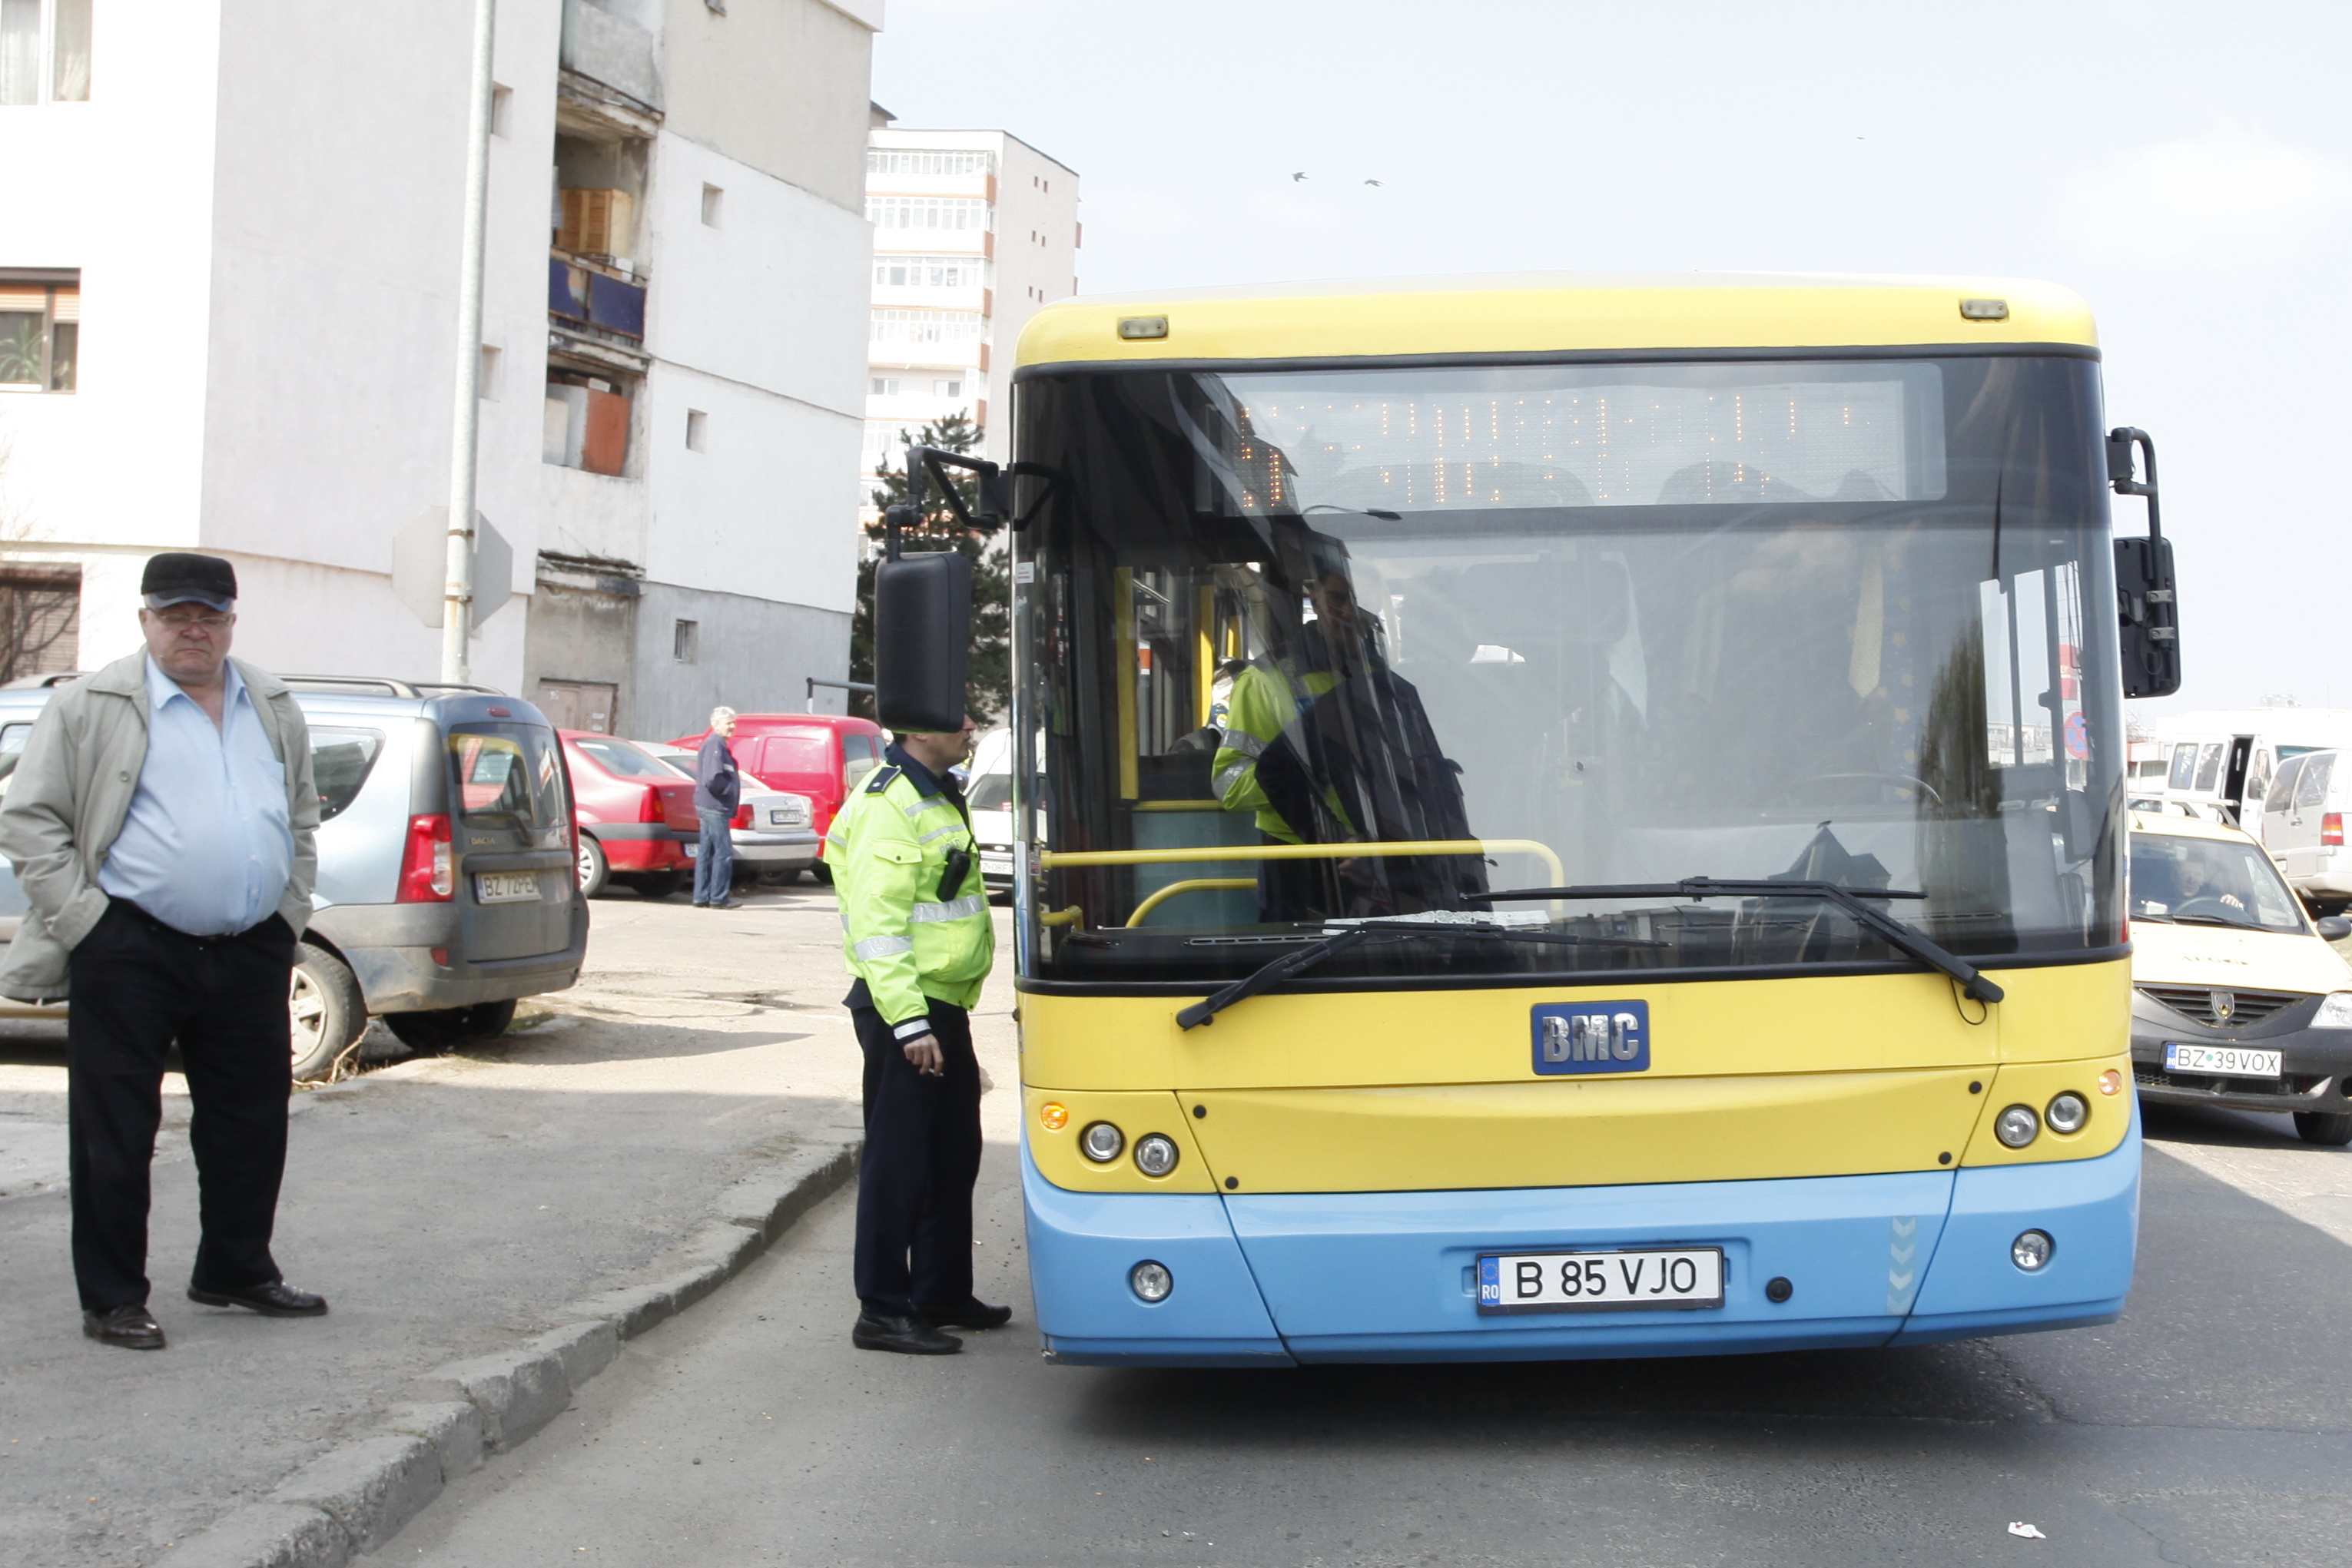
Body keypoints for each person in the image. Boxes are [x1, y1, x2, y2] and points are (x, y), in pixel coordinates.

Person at [0, 553, 324, 1351]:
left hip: (249, 947)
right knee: (116, 1127)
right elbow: (29, 817)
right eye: (176, 614)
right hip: (131, 947)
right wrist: (86, 922)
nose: (193, 629)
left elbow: (301, 817)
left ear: (231, 622)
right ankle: (112, 1296)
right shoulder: (92, 703)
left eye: (209, 615)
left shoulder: (270, 703)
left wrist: (286, 916)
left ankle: (235, 1267)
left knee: (251, 1120)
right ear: (145, 619)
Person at [823, 714, 1005, 1355]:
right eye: (958, 720)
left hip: (943, 1003)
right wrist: (909, 1021)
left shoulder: (937, 790)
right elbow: (878, 924)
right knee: (898, 1162)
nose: (971, 727)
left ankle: (941, 1291)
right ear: (920, 728)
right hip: (908, 1008)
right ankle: (880, 1307)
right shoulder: (888, 802)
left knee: (954, 1153)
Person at [1211, 534, 1481, 921]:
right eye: (1338, 599)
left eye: (1360, 602)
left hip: (1385, 858)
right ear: (1314, 597)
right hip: (1302, 857)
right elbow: (1229, 782)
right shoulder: (1264, 680)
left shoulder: (1385, 682)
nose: (1350, 613)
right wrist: (1319, 784)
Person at [692, 707, 741, 909]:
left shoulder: (717, 745)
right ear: (716, 725)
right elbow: (713, 779)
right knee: (723, 852)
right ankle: (718, 898)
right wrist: (729, 790)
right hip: (715, 807)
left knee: (706, 851)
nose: (732, 726)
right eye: (728, 723)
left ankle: (701, 897)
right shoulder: (715, 745)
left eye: (733, 722)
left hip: (709, 806)